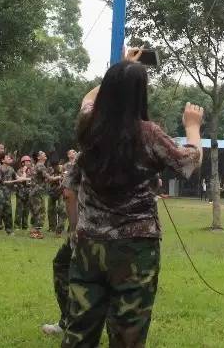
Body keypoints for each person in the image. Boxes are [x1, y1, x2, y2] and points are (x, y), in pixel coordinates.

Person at [63, 61, 203, 347]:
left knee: (80, 329)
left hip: (89, 243)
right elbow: (188, 163)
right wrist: (192, 127)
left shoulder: (89, 125)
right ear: (141, 93)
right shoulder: (148, 133)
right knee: (129, 332)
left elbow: (87, 100)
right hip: (136, 248)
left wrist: (122, 70)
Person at [43, 149, 79, 338]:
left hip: (89, 230)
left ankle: (70, 323)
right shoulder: (138, 148)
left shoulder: (89, 153)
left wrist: (74, 230)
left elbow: (68, 193)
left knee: (69, 268)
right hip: (133, 234)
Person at [28, 150, 51, 239]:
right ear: (38, 157)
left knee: (35, 211)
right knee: (40, 212)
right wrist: (59, 177)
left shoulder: (37, 165)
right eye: (42, 154)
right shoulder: (40, 165)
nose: (45, 154)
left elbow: (42, 179)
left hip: (34, 191)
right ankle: (35, 232)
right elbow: (49, 178)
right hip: (37, 192)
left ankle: (34, 231)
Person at [47, 157, 67, 235]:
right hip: (52, 191)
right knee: (50, 209)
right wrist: (55, 178)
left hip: (61, 191)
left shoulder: (63, 168)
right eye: (53, 166)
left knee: (61, 209)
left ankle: (61, 227)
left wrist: (60, 177)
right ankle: (52, 227)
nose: (55, 167)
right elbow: (47, 179)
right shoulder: (49, 170)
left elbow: (66, 177)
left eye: (56, 165)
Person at [15, 154, 34, 230]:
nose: (29, 163)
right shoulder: (19, 171)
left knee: (26, 210)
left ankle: (25, 225)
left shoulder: (31, 171)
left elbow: (33, 180)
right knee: (19, 209)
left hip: (28, 192)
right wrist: (24, 171)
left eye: (29, 161)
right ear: (23, 163)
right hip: (20, 192)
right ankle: (17, 225)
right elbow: (22, 179)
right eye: (27, 162)